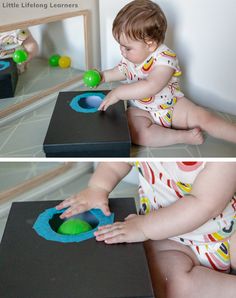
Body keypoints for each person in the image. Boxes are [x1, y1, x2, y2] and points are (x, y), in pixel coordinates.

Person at [56, 162, 236, 298]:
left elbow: (204, 204)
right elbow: (116, 161)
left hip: (224, 232)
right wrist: (98, 187)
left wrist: (143, 227)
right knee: (159, 277)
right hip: (168, 237)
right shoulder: (147, 123)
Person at [97, 0, 236, 147]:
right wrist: (103, 76)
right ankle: (181, 137)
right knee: (134, 132)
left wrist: (118, 93)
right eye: (120, 45)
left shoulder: (165, 59)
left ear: (150, 44)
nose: (122, 51)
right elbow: (120, 71)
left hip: (172, 107)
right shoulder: (131, 58)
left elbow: (152, 85)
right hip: (142, 111)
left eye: (127, 48)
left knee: (204, 117)